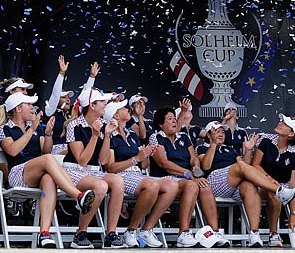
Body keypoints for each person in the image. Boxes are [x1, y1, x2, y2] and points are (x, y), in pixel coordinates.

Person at [0, 91, 96, 247]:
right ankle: (77, 195)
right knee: (48, 161)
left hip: (38, 173)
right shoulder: (5, 129)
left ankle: (44, 233)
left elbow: (47, 150)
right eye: (29, 104)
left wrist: (48, 133)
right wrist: (32, 130)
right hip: (18, 173)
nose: (32, 108)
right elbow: (12, 151)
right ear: (18, 109)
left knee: (49, 178)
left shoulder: (35, 128)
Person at [197, 120, 295, 247]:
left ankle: (254, 233)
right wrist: (213, 144)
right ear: (208, 135)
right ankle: (278, 190)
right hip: (213, 183)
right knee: (239, 166)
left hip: (234, 184)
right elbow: (205, 166)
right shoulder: (202, 147)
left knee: (250, 185)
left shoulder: (230, 150)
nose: (221, 134)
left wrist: (248, 150)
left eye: (222, 131)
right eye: (216, 132)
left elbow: (245, 167)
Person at [149, 107, 230, 247]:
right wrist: (187, 173)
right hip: (165, 178)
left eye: (174, 118)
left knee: (204, 185)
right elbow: (164, 163)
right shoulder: (156, 137)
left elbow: (193, 158)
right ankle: (183, 233)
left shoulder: (184, 137)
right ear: (161, 124)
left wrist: (195, 166)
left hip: (186, 177)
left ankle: (215, 232)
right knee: (192, 185)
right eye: (170, 119)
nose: (174, 121)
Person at [102, 100, 179, 248]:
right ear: (116, 115)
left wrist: (147, 154)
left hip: (138, 174)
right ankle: (131, 230)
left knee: (172, 185)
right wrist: (136, 158)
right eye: (123, 108)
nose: (127, 110)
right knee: (151, 185)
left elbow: (143, 164)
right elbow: (111, 167)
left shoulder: (131, 134)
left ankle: (146, 230)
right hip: (121, 175)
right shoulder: (110, 135)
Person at [62, 87, 127, 249]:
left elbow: (104, 160)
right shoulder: (74, 125)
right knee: (101, 185)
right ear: (92, 105)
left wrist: (107, 135)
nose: (106, 104)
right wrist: (95, 135)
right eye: (102, 101)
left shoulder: (103, 125)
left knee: (118, 181)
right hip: (73, 170)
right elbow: (82, 160)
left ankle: (111, 234)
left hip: (94, 170)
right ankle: (80, 234)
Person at [252, 114, 295, 247]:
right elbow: (255, 165)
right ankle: (273, 234)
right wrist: (270, 179)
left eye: (285, 123)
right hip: (262, 183)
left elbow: (294, 186)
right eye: (281, 121)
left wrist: (293, 215)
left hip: (284, 185)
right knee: (275, 191)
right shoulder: (266, 140)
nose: (280, 123)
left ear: (291, 134)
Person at [43, 56, 99, 155]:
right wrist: (61, 74)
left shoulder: (72, 113)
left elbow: (83, 97)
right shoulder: (50, 112)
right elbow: (55, 95)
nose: (68, 99)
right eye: (64, 97)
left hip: (73, 149)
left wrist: (92, 77)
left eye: (68, 97)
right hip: (56, 152)